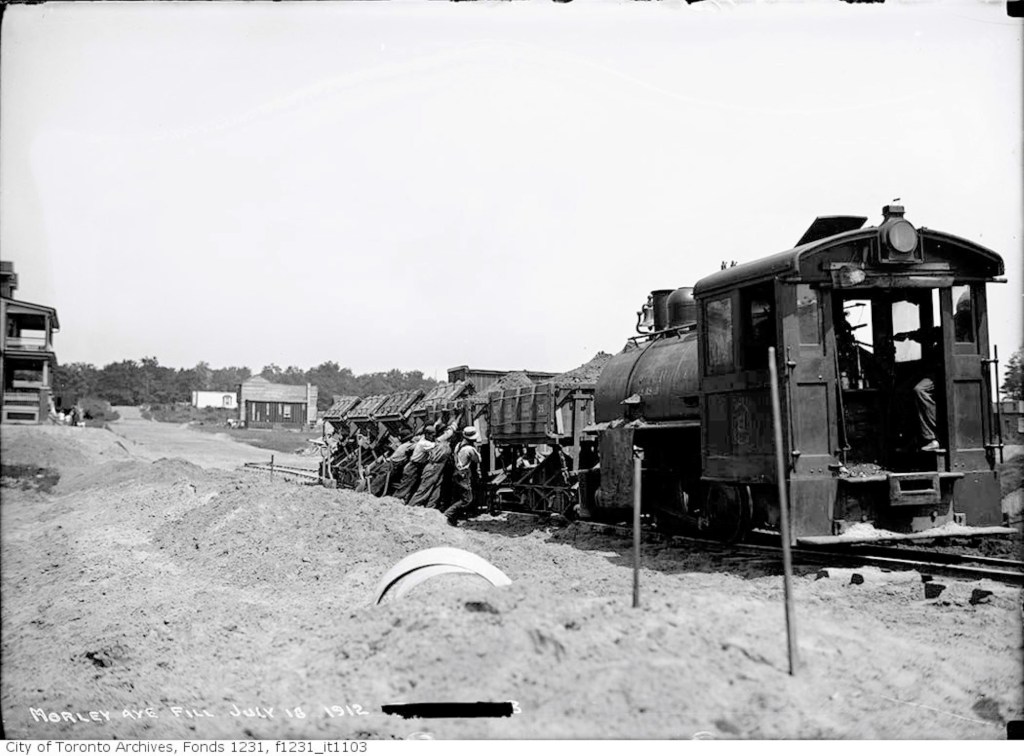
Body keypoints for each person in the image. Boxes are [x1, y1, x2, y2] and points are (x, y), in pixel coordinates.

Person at [894, 324, 942, 451]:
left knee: (921, 390)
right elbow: (931, 333)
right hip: (931, 370)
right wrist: (908, 335)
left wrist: (909, 335)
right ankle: (913, 437)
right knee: (901, 391)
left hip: (943, 371)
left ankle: (932, 438)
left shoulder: (959, 326)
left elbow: (935, 334)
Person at [443, 427, 483, 526]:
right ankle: (448, 514)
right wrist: (477, 449)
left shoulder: (458, 445)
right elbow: (478, 460)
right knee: (467, 499)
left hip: (456, 472)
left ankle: (452, 520)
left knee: (457, 497)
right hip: (463, 474)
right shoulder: (469, 449)